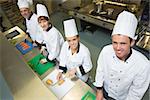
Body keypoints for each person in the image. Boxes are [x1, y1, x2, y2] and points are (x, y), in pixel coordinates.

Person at [94, 11, 150, 100]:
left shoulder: (143, 65)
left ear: (132, 42)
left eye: (123, 43)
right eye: (115, 42)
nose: (118, 48)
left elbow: (136, 93)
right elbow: (100, 71)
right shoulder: (106, 51)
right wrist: (99, 91)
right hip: (104, 92)